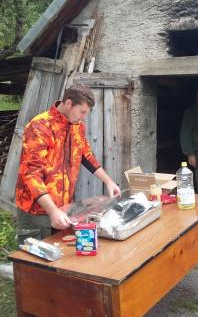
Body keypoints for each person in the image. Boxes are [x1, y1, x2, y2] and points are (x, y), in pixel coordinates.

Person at [15, 83, 121, 243]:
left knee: (59, 259)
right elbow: (31, 174)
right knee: (34, 263)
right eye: (82, 111)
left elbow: (86, 156)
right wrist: (52, 211)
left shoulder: (77, 127)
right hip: (36, 211)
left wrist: (109, 181)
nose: (84, 116)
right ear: (69, 103)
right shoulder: (39, 126)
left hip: (63, 208)